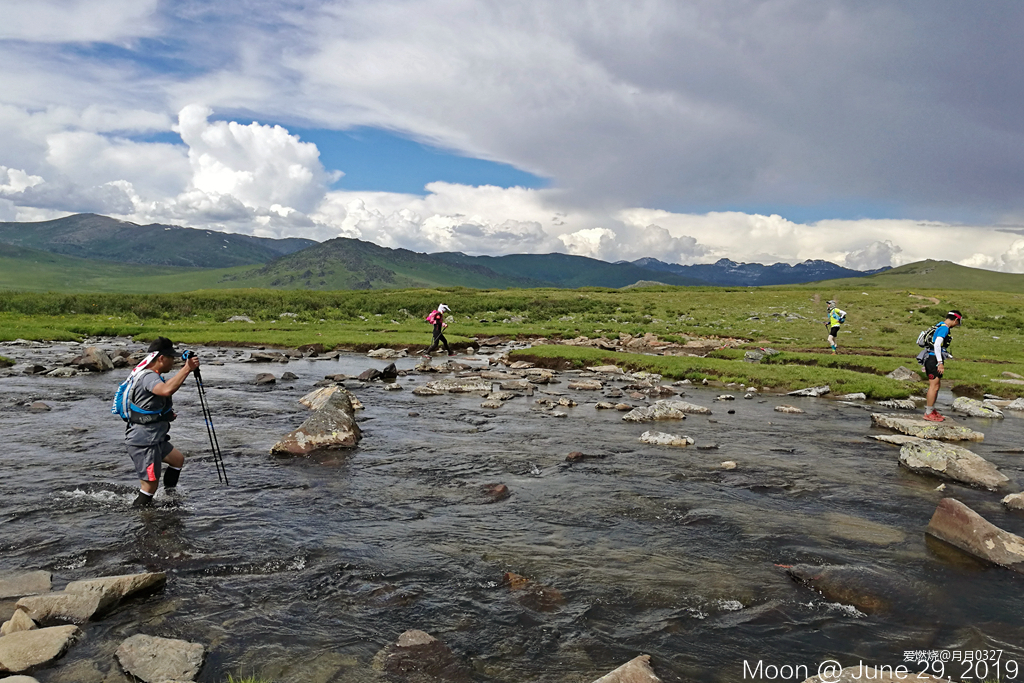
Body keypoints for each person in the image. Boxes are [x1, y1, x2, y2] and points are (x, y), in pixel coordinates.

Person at [125, 337, 200, 507]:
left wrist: (165, 415)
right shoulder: (149, 377)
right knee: (150, 485)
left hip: (154, 437)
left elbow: (151, 403)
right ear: (160, 358)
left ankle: (169, 498)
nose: (173, 361)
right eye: (171, 358)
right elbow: (166, 390)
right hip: (144, 441)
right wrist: (187, 368)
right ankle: (142, 517)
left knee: (177, 460)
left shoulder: (151, 375)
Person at [921, 310, 963, 422]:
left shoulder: (939, 325)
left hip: (931, 358)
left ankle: (931, 410)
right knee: (933, 386)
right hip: (933, 359)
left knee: (937, 385)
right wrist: (940, 363)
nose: (957, 325)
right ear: (956, 320)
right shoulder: (944, 328)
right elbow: (937, 345)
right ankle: (928, 413)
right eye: (958, 323)